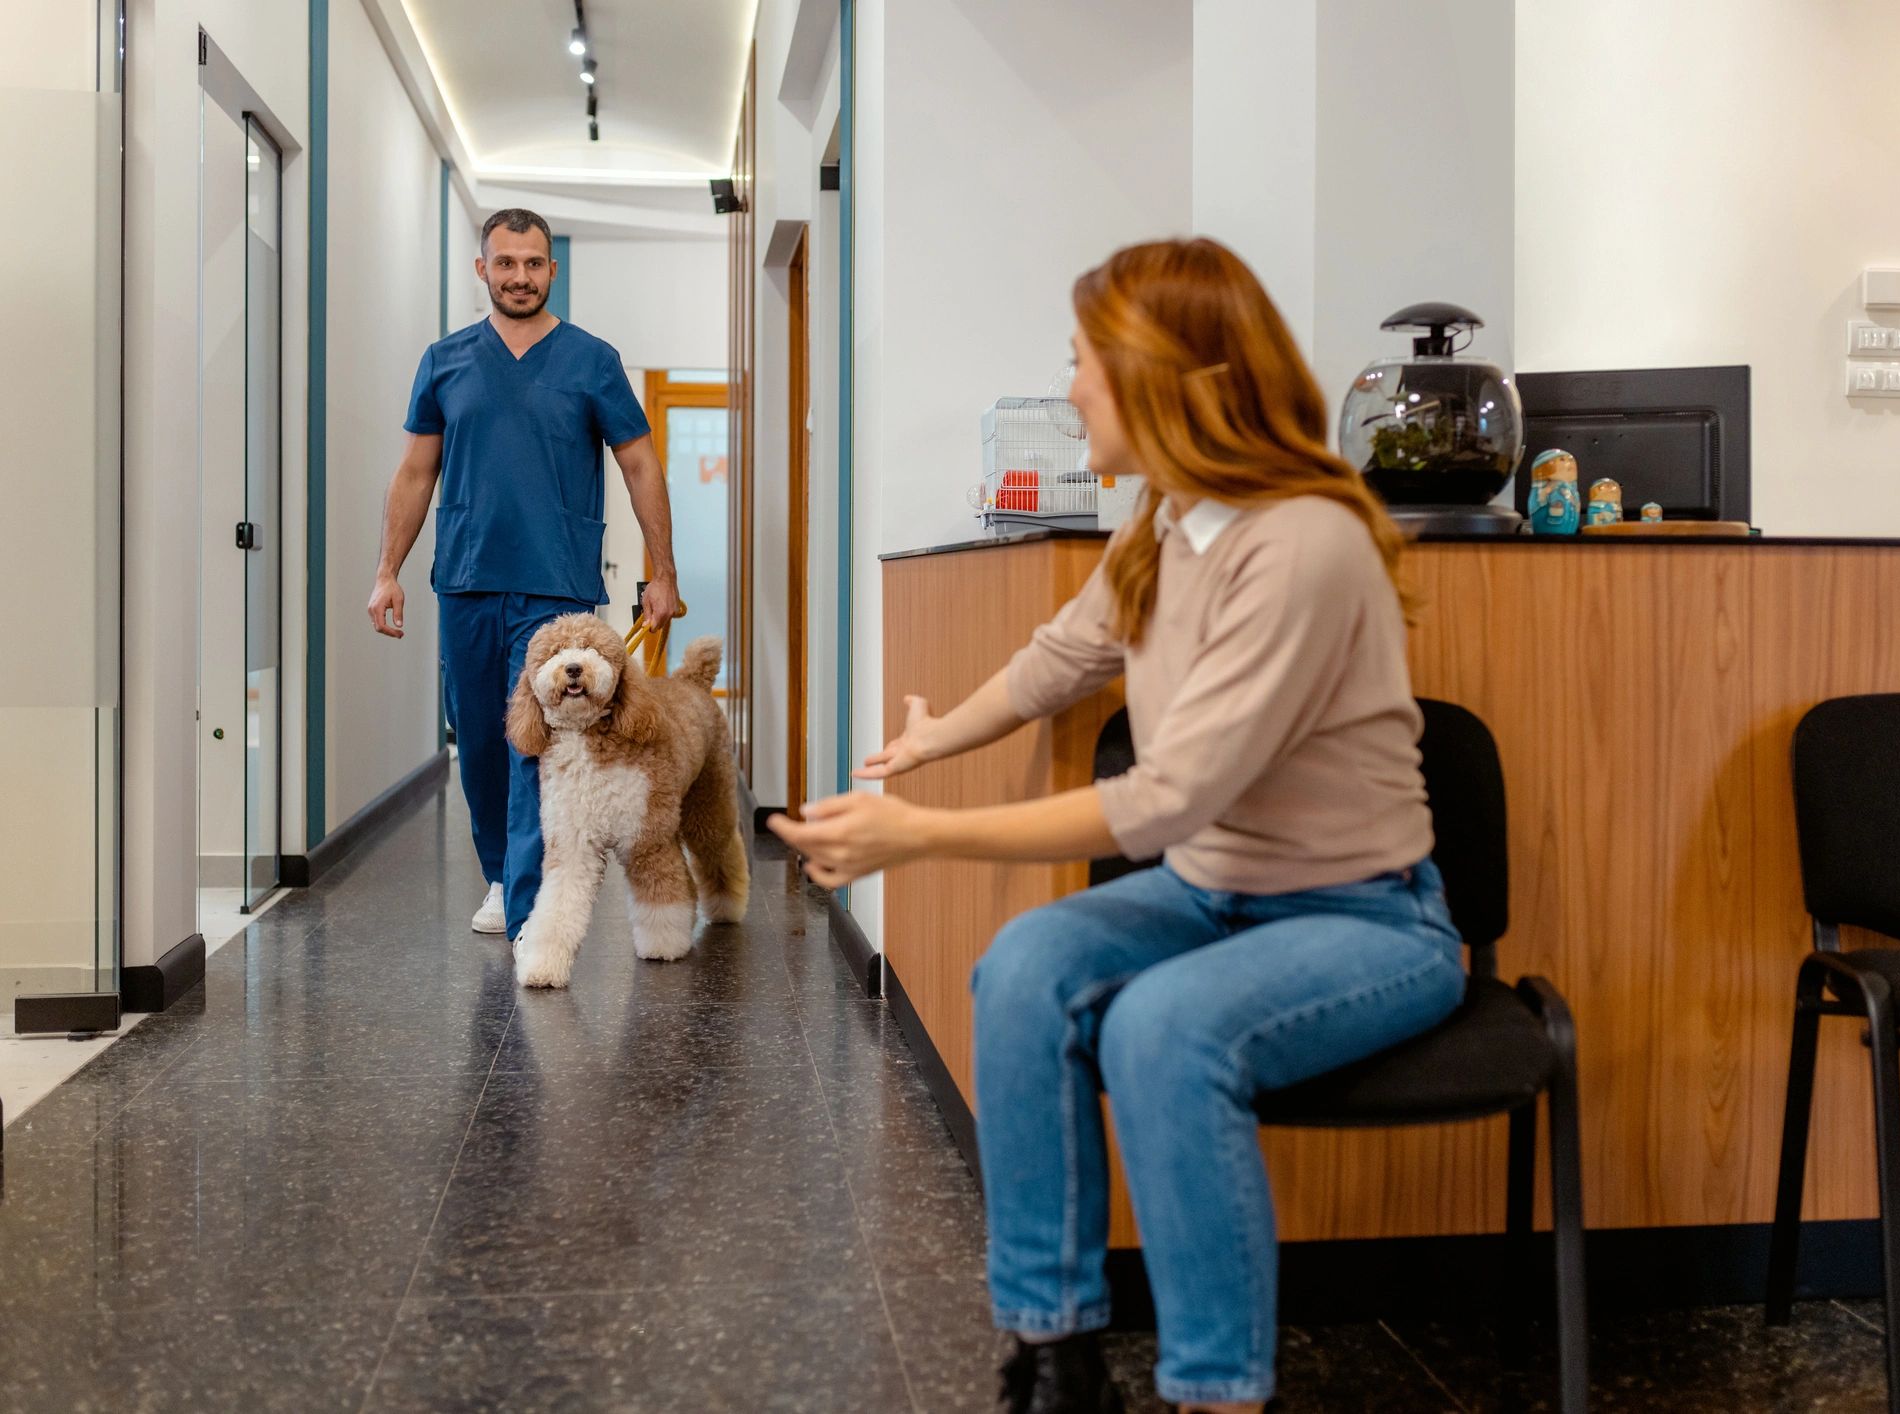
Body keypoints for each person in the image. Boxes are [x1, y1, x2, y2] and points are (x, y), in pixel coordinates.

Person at [768, 239, 1467, 1414]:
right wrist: (932, 741)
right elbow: (1062, 659)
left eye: (1084, 362)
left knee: (1161, 1030)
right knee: (1024, 971)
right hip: (1209, 893)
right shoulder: (1164, 521)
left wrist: (921, 833)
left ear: (1163, 377)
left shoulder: (1301, 542)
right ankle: (1056, 1356)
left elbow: (1163, 798)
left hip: (1367, 918)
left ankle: (1216, 1392)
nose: (1072, 386)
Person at [368, 207, 679, 941]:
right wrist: (387, 571)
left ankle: (530, 905)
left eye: (532, 263)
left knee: (535, 741)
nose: (518, 276)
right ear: (483, 269)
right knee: (476, 737)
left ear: (552, 270)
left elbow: (639, 462)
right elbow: (415, 473)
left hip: (557, 583)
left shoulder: (591, 360)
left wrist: (662, 573)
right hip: (469, 578)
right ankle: (504, 873)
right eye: (504, 263)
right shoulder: (445, 361)